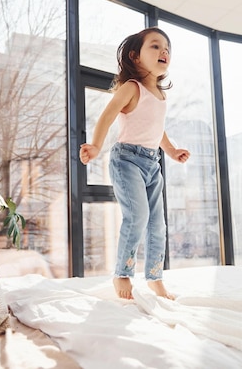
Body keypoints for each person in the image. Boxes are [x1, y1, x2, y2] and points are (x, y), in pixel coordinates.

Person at [79, 27, 190, 300]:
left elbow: (156, 128)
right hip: (127, 159)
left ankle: (155, 278)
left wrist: (172, 150)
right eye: (155, 46)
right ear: (135, 57)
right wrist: (95, 145)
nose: (164, 51)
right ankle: (122, 274)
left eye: (167, 48)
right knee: (137, 216)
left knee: (158, 224)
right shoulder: (132, 88)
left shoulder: (160, 96)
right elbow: (108, 115)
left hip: (153, 165)